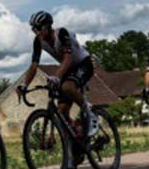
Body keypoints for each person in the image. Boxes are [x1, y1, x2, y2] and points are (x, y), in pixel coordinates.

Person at [16, 11, 99, 143]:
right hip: (69, 68)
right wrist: (24, 85)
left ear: (48, 26)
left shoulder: (61, 33)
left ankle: (90, 112)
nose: (36, 32)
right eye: (33, 29)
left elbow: (68, 58)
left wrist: (57, 76)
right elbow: (33, 65)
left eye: (38, 28)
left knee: (67, 87)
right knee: (61, 112)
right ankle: (76, 140)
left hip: (83, 64)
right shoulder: (38, 41)